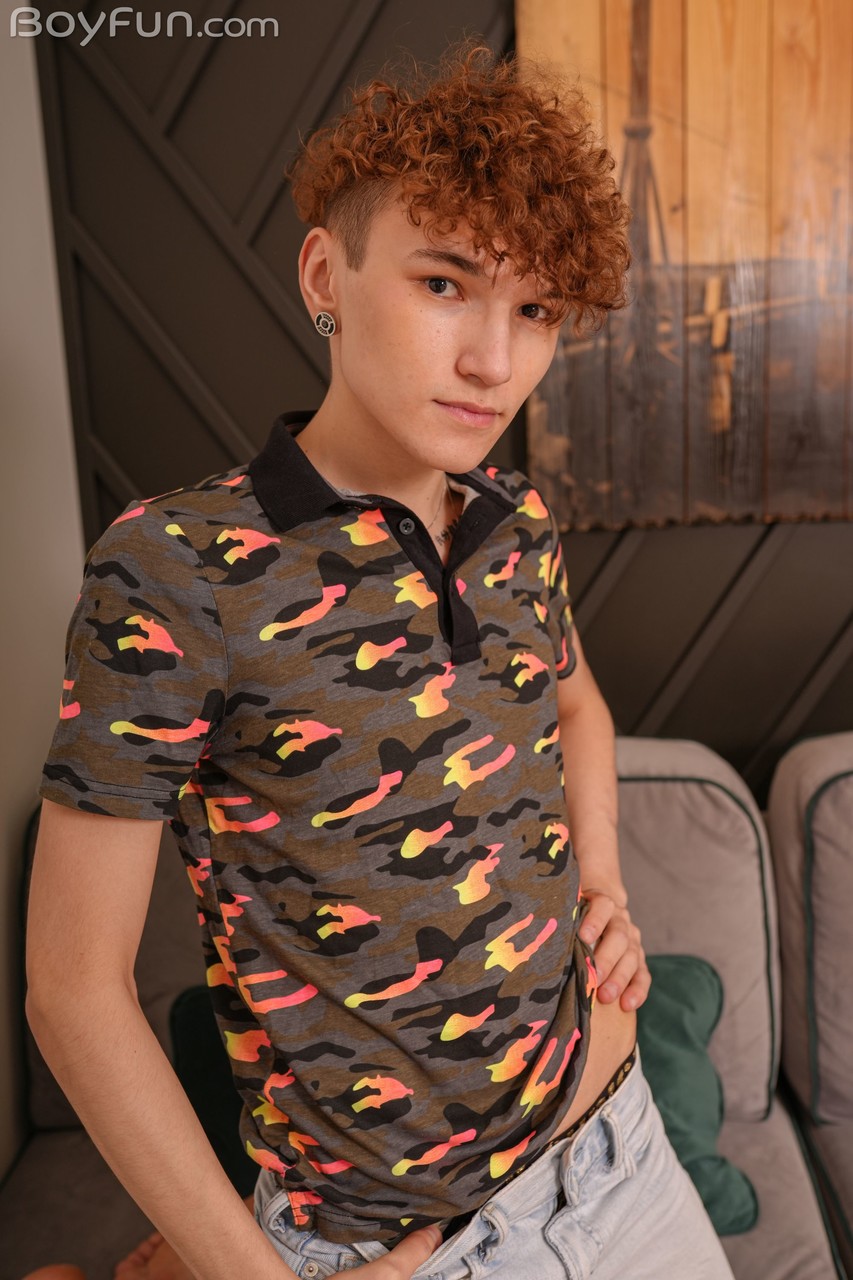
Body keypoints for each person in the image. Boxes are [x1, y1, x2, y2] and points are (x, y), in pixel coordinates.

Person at [26, 41, 736, 1280]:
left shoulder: (517, 522)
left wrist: (603, 885)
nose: (494, 362)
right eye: (445, 283)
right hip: (393, 1250)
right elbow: (70, 990)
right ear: (327, 276)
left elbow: (579, 710)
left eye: (535, 311)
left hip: (620, 1159)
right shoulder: (177, 568)